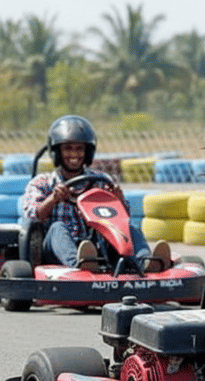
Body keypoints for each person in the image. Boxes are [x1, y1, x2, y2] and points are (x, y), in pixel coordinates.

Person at [20, 115, 171, 273]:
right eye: (68, 149)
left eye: (79, 149)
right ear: (57, 152)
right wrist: (53, 199)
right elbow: (32, 216)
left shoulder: (101, 181)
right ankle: (80, 264)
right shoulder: (43, 183)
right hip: (56, 250)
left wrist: (118, 201)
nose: (74, 154)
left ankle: (146, 262)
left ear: (88, 152)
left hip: (96, 247)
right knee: (57, 227)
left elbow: (122, 219)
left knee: (129, 228)